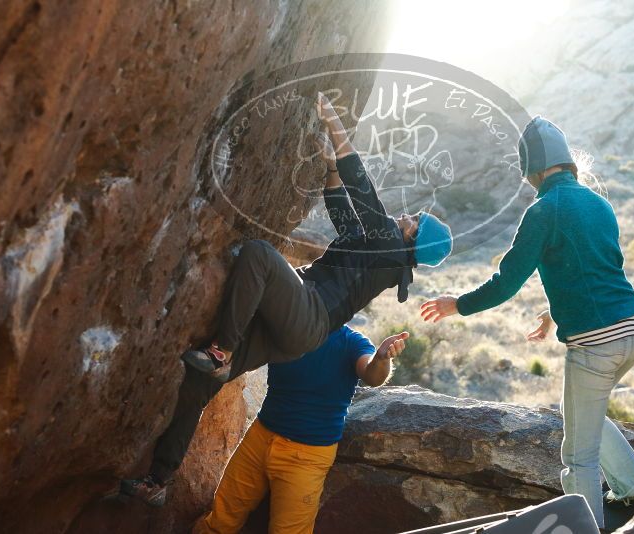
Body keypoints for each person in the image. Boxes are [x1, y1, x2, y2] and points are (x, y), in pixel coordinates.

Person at [120, 94, 452, 505]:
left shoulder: (388, 246)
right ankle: (158, 479)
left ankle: (222, 349)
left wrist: (334, 122)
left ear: (413, 239)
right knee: (198, 383)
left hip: (307, 316)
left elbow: (361, 187)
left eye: (415, 221)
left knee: (258, 254)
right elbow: (346, 218)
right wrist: (329, 167)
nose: (407, 216)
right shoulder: (377, 249)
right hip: (300, 327)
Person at [420, 116, 634, 531]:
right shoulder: (598, 203)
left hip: (597, 343)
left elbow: (507, 282)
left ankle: (586, 528)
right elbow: (596, 270)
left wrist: (457, 304)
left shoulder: (543, 210)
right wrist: (551, 315)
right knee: (582, 409)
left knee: (577, 455)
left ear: (533, 170)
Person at [192, 326, 407, 534]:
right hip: (260, 436)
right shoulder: (289, 326)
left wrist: (381, 359)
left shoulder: (352, 342)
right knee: (219, 519)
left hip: (307, 456)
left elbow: (372, 375)